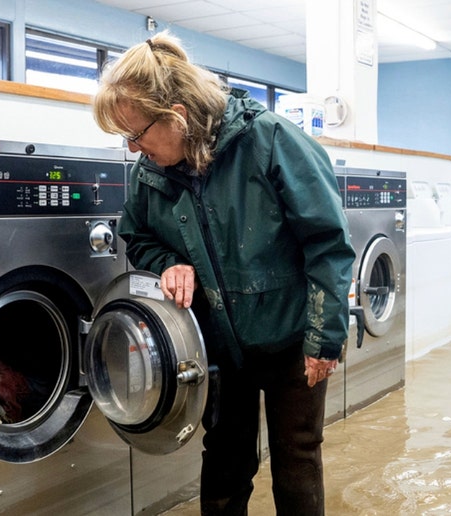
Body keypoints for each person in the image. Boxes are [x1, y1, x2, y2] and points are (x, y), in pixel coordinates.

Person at [92, 31, 354, 515]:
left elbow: (329, 244)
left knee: (296, 458)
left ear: (178, 117)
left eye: (137, 134)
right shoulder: (150, 172)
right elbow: (138, 236)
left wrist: (325, 338)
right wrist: (168, 264)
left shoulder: (271, 141)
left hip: (292, 334)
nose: (132, 149)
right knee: (225, 462)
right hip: (216, 341)